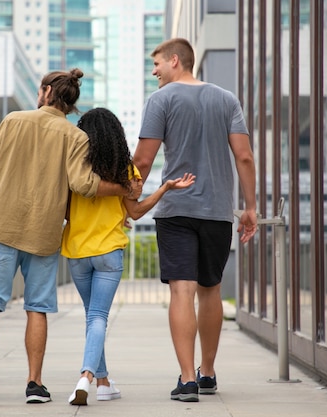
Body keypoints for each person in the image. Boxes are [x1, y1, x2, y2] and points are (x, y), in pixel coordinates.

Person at [0, 69, 142, 407]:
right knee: (37, 307)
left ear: (46, 91)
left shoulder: (12, 121)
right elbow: (84, 185)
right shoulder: (73, 136)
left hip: (2, 228)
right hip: (44, 234)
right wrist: (124, 188)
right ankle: (34, 383)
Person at [133, 38, 258, 403]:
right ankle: (208, 373)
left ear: (175, 61)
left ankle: (187, 380)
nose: (154, 71)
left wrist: (128, 203)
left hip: (176, 209)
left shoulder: (161, 100)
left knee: (182, 291)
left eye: (157, 64)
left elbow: (142, 161)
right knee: (211, 290)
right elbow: (245, 157)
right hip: (218, 211)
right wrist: (249, 208)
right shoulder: (226, 99)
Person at [63, 107, 195, 406]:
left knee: (92, 316)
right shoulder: (124, 169)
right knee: (97, 316)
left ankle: (104, 382)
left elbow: (64, 208)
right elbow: (135, 211)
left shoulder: (74, 167)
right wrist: (165, 188)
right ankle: (87, 376)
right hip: (109, 251)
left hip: (76, 251)